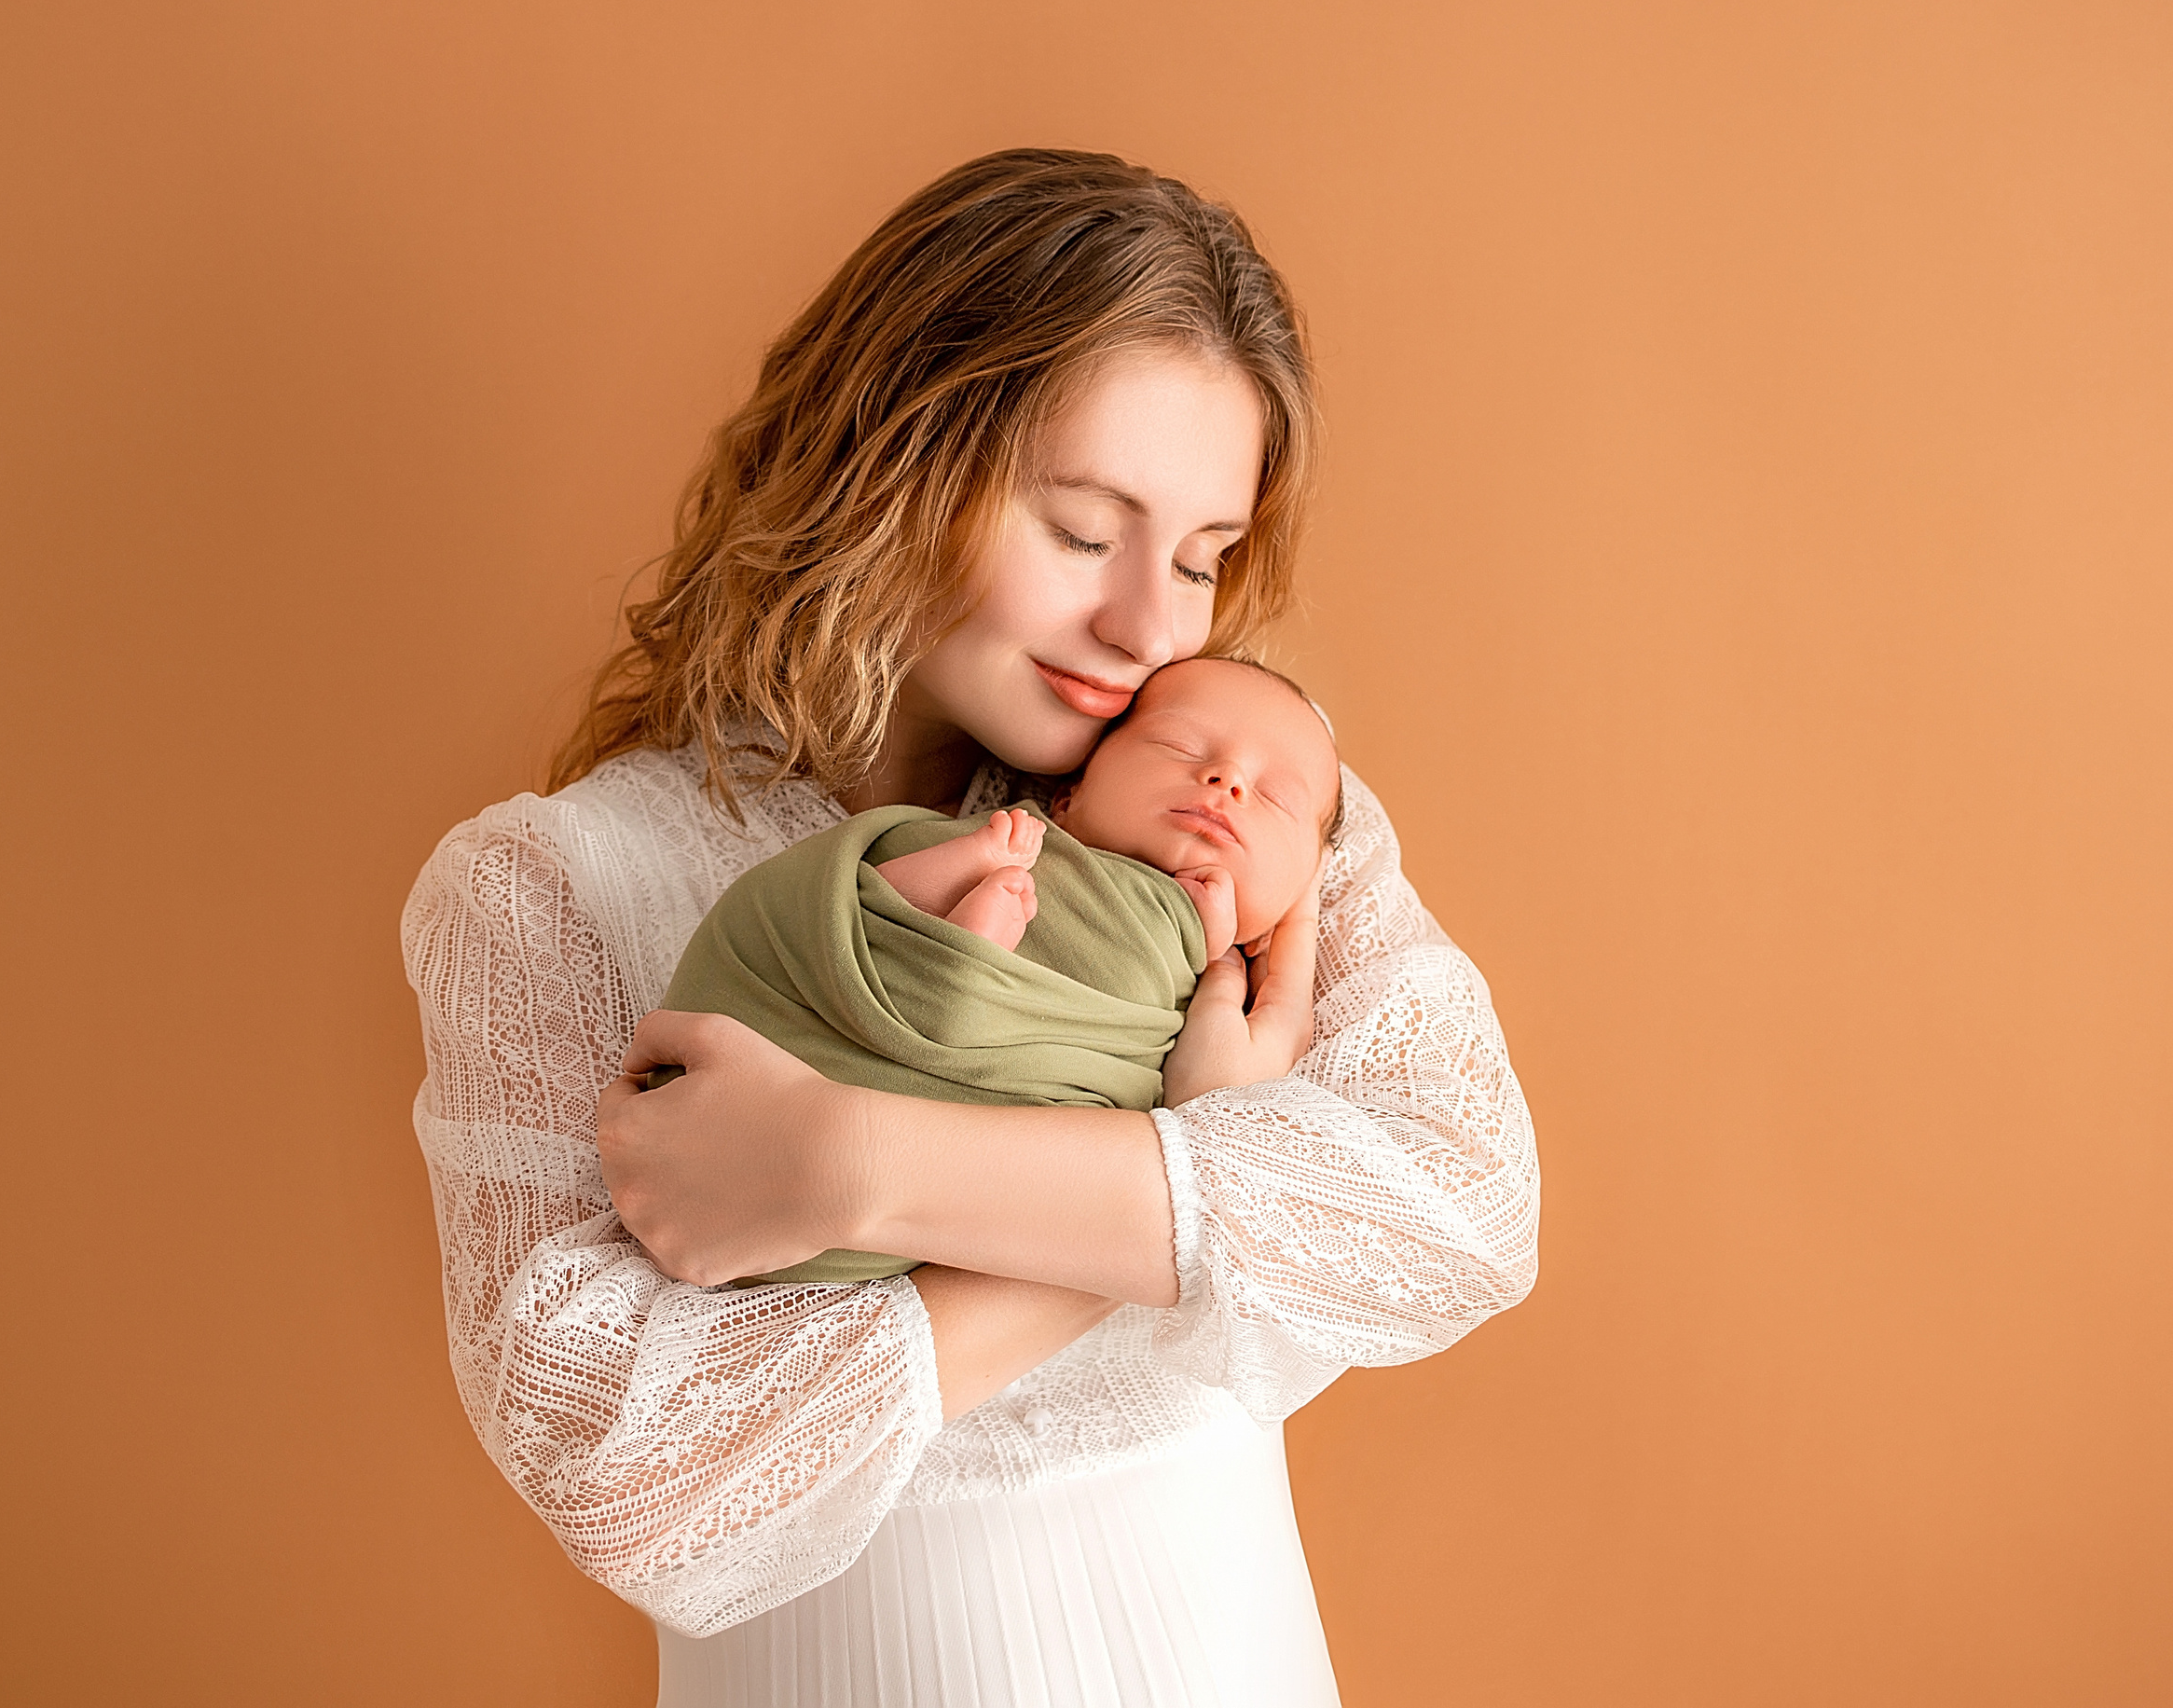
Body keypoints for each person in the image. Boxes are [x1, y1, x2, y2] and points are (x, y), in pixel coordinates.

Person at [401, 148, 1541, 1707]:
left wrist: (860, 1168)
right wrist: (1198, 1155)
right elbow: (632, 1475)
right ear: (892, 468)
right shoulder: (558, 888)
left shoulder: (1246, 803)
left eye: (1203, 559)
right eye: (1085, 530)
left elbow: (1460, 1203)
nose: (1151, 626)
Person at [653, 654, 1345, 1286]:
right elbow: (859, 896)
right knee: (910, 880)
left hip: (958, 1138)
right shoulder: (1035, 836)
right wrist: (971, 857)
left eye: (1275, 797)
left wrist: (1212, 941)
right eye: (1179, 748)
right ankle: (945, 947)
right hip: (819, 1042)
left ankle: (962, 969)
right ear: (1071, 794)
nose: (1225, 783)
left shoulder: (1229, 982)